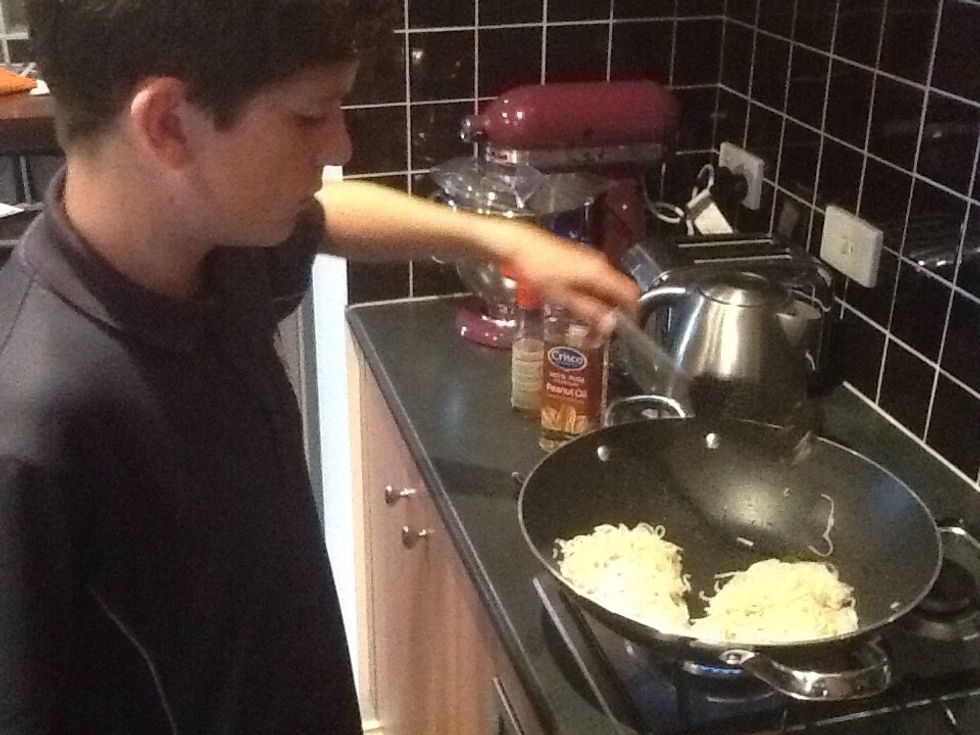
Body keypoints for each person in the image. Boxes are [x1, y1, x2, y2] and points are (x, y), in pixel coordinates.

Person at [0, 1, 639, 732]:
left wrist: (503, 242)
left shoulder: (210, 252)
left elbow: (329, 216)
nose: (338, 143)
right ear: (168, 123)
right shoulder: (32, 430)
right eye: (310, 116)